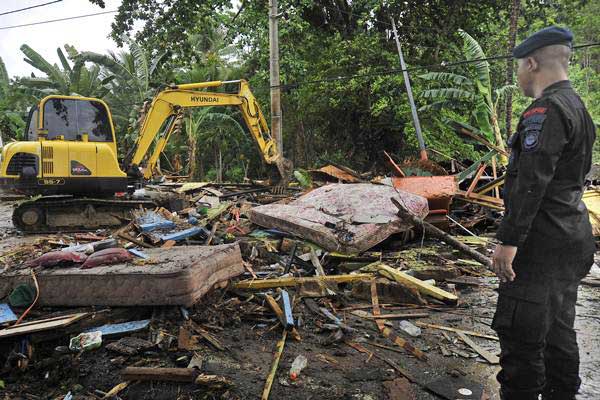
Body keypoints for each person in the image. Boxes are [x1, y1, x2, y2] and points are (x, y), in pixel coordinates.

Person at [492, 26, 596, 400]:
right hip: (572, 239)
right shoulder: (578, 108)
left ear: (532, 62)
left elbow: (531, 183)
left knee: (521, 341)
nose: (518, 75)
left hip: (540, 246)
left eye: (519, 66)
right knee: (558, 334)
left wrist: (508, 241)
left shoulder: (545, 110)